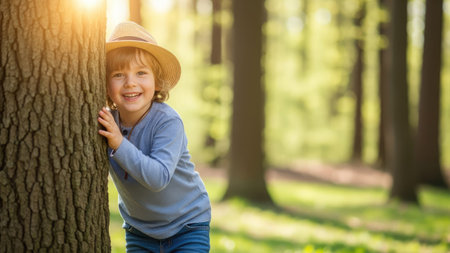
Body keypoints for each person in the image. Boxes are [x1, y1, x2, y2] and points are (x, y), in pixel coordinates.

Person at [98, 21, 211, 252]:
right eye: (119, 74)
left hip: (187, 225)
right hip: (140, 232)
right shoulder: (107, 122)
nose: (130, 82)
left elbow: (158, 178)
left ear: (156, 81)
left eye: (141, 73)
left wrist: (119, 143)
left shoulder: (167, 122)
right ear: (105, 84)